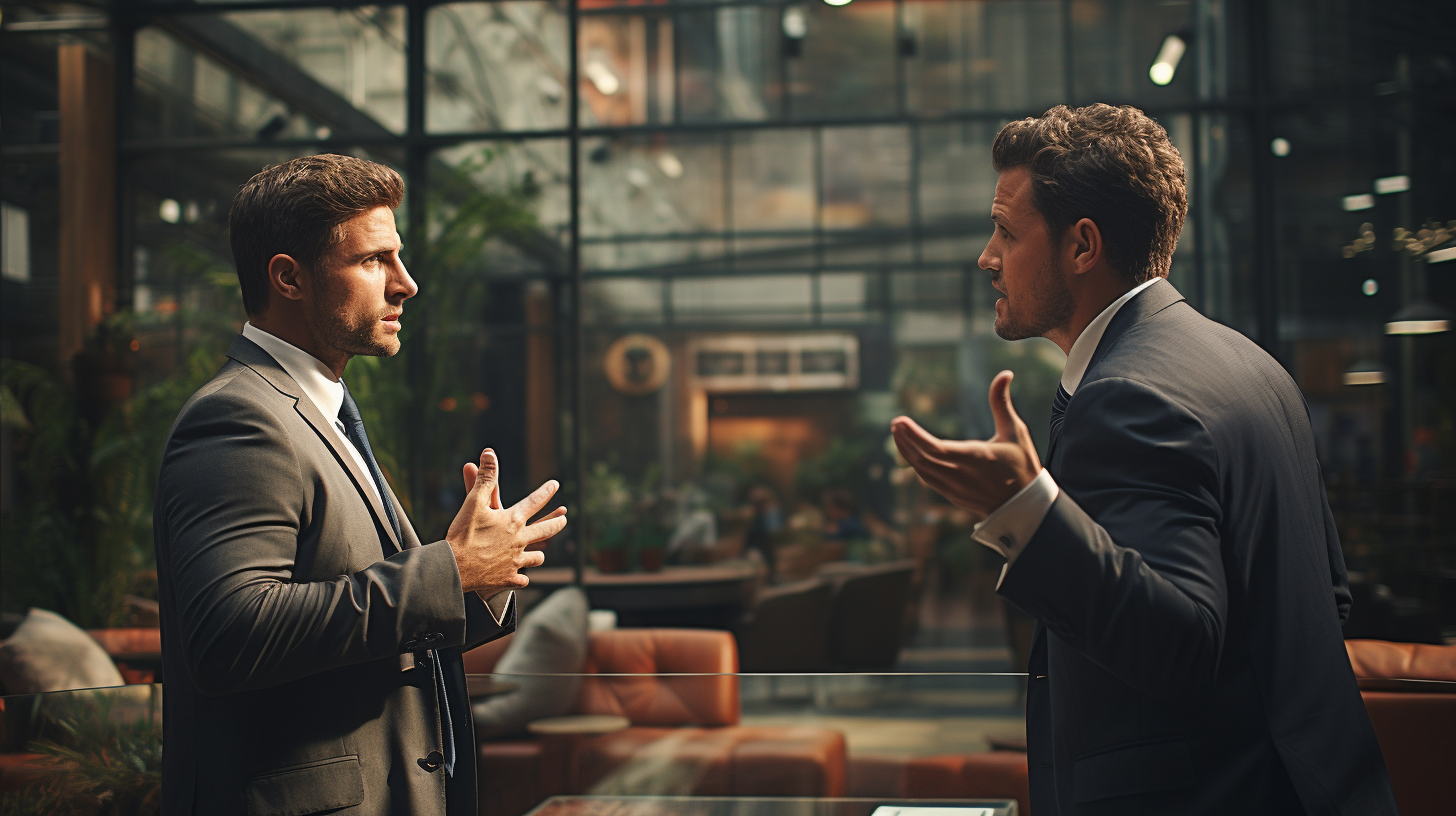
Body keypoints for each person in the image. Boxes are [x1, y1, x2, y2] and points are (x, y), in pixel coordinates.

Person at [890, 105, 1397, 815]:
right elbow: (1325, 595)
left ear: (1083, 246)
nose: (988, 256)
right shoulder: (1251, 363)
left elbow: (1184, 645)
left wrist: (1026, 510)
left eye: (1007, 230)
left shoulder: (1128, 395)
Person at [153, 154, 568, 816]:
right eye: (374, 261)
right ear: (289, 277)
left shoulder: (320, 410)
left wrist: (479, 584)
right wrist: (446, 572)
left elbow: (366, 617)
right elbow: (230, 635)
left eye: (396, 258)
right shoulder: (237, 418)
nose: (406, 284)